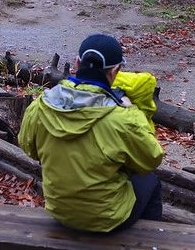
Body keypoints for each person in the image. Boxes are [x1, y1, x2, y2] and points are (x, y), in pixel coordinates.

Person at [18, 34, 164, 233]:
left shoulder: (41, 105)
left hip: (59, 212)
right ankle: (153, 239)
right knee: (150, 180)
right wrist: (131, 110)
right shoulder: (122, 118)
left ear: (77, 64)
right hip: (107, 220)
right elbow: (151, 158)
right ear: (114, 71)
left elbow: (29, 148)